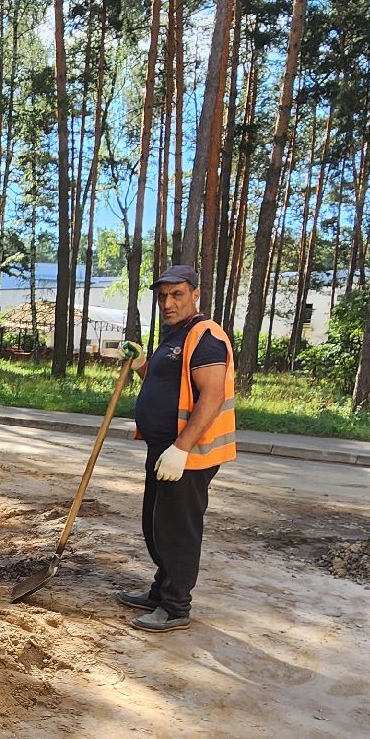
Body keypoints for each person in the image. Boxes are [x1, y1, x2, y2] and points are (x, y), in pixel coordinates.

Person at [118, 265, 237, 633]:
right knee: (156, 526)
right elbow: (164, 381)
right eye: (163, 296)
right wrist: (141, 364)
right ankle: (160, 591)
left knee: (177, 530)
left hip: (188, 455)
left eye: (177, 295)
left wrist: (181, 448)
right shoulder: (174, 336)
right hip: (162, 449)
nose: (168, 303)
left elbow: (213, 396)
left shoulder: (205, 336)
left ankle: (175, 608)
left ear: (195, 294)